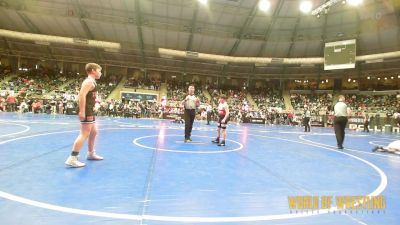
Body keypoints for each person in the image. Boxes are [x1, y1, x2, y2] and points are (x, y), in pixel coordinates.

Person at [65, 63, 104, 168]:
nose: (101, 73)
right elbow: (81, 95)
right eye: (99, 70)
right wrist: (82, 111)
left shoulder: (92, 82)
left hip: (89, 109)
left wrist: (95, 104)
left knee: (94, 131)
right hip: (86, 110)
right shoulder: (88, 81)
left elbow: (89, 96)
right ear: (93, 70)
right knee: (84, 134)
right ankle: (72, 158)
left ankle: (91, 153)